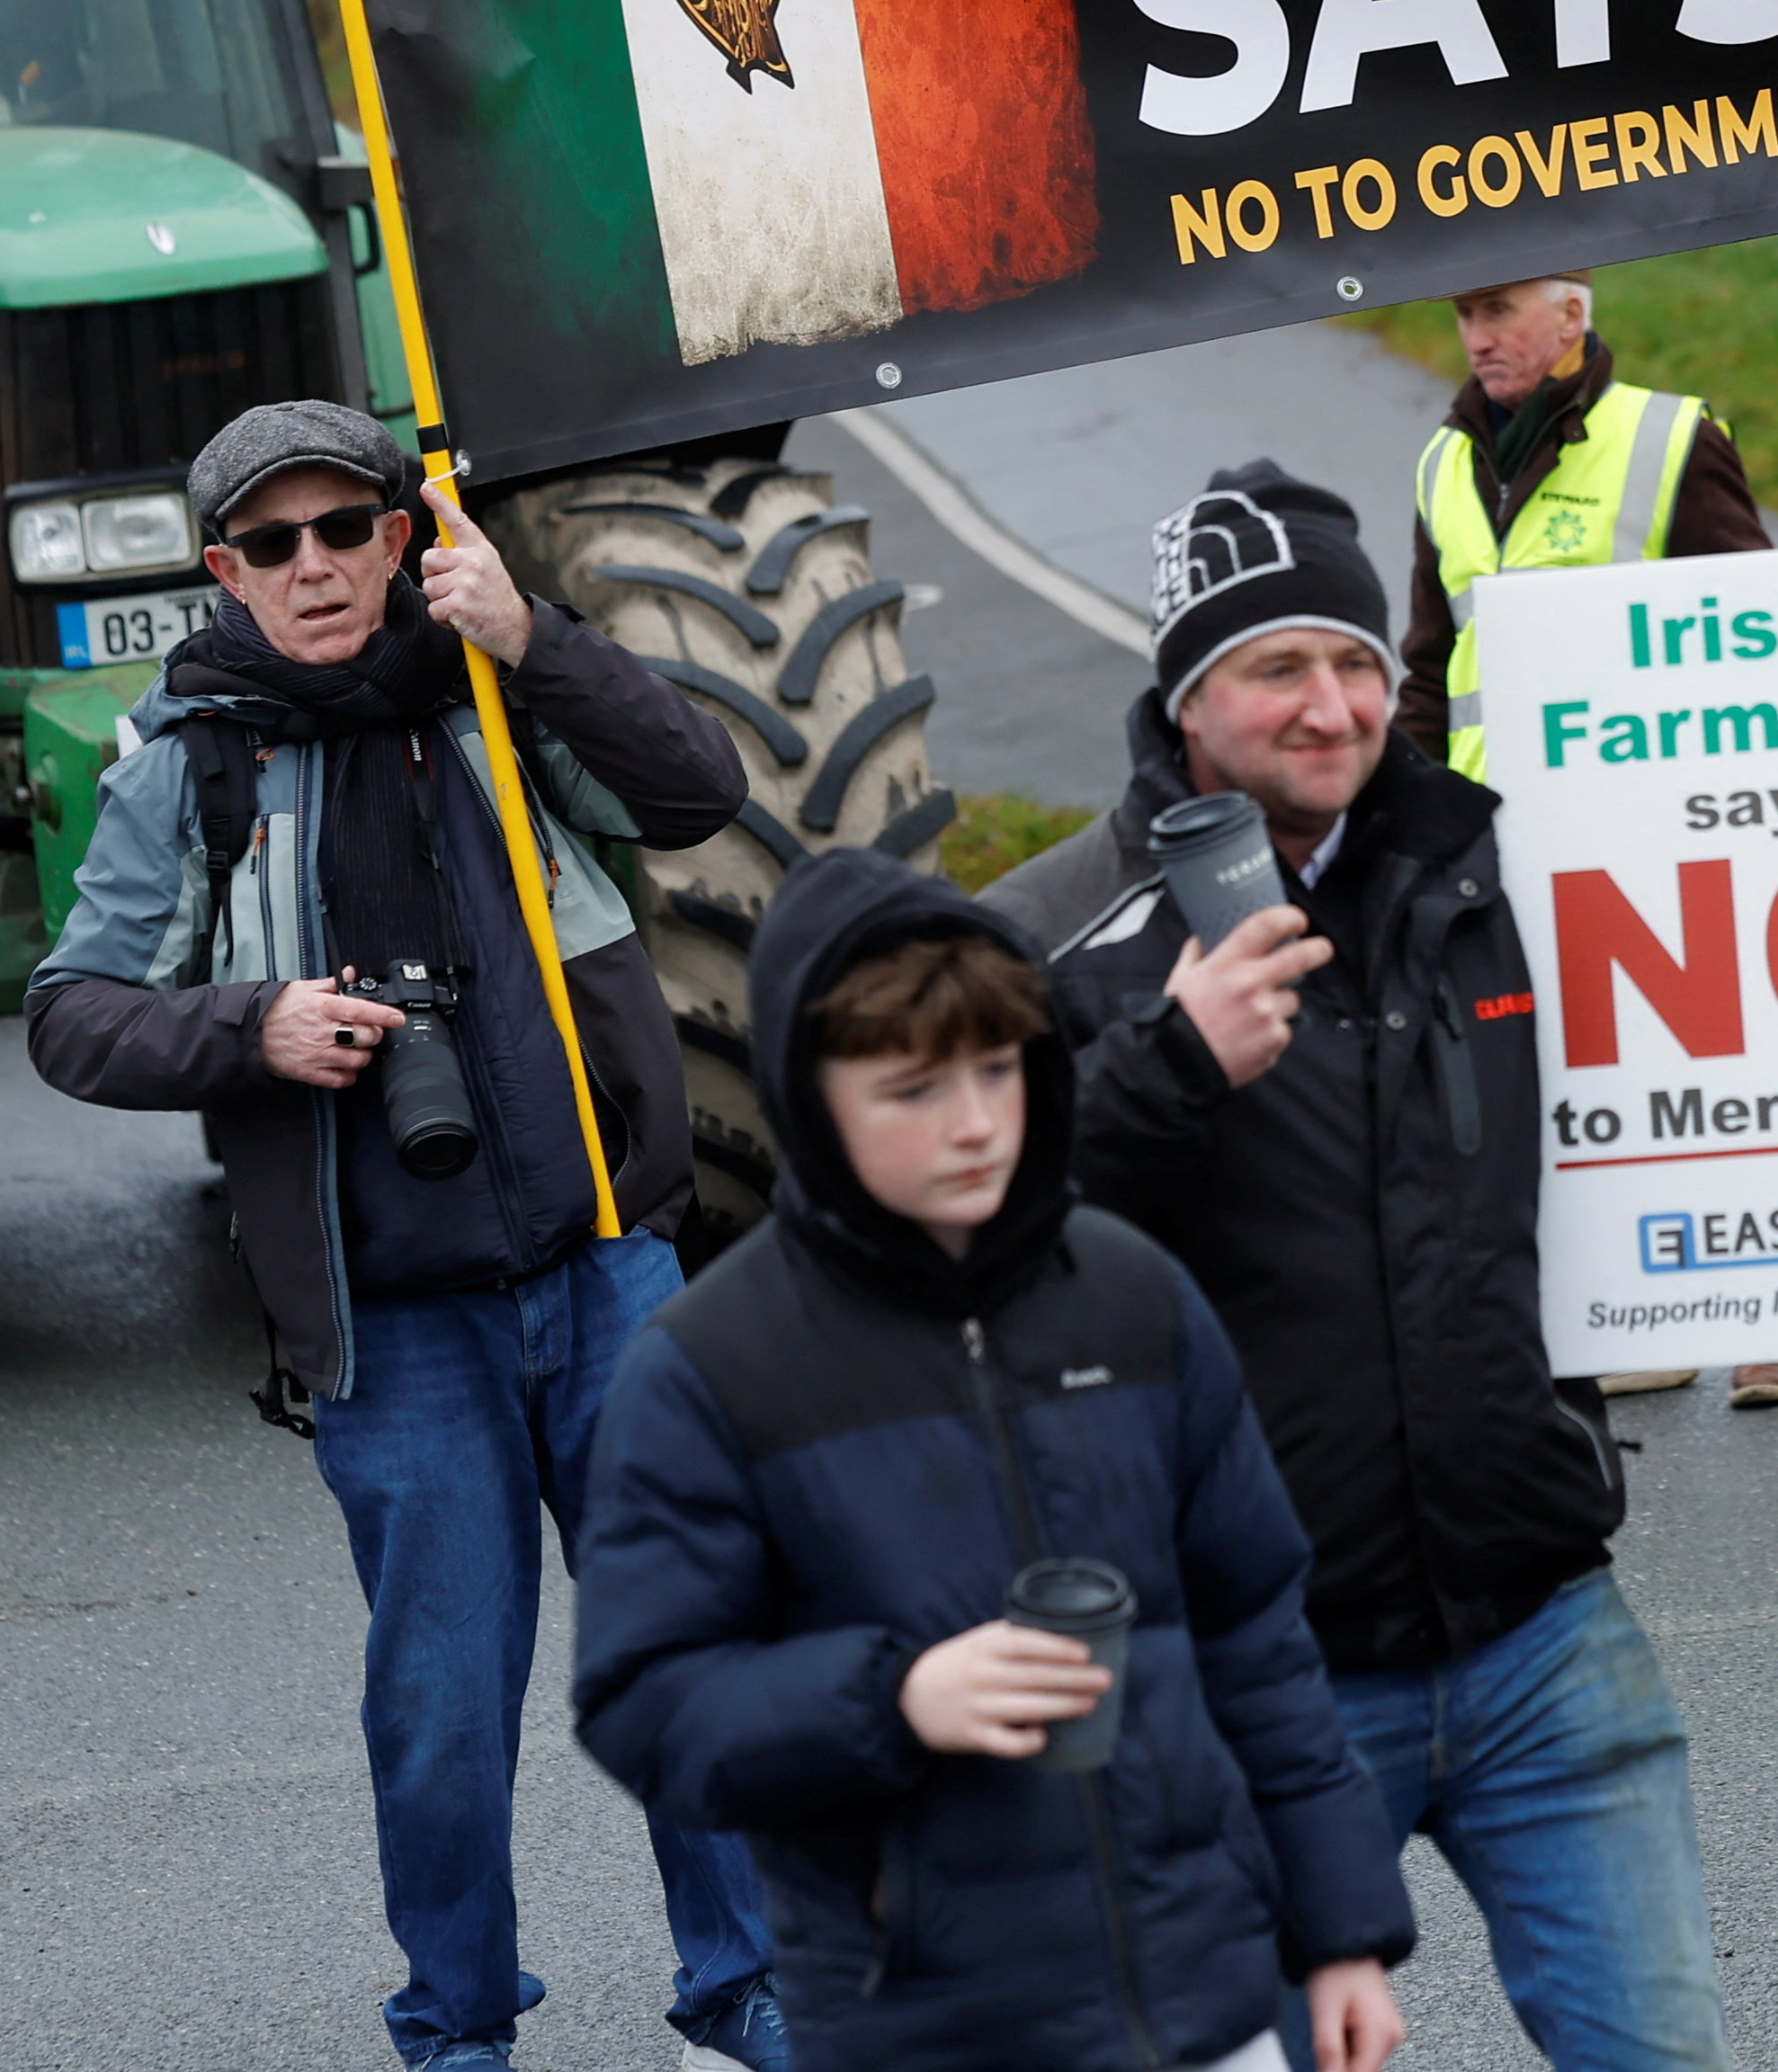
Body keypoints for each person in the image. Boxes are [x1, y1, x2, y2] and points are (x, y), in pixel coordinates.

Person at [22, 403, 791, 2072]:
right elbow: (72, 1017)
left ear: (398, 535)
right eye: (272, 544)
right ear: (224, 569)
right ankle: (457, 2033)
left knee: (699, 1647)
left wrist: (538, 636)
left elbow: (694, 789)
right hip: (395, 1326)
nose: (315, 567)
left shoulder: (499, 690)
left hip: (608, 1270)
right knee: (442, 1721)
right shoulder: (191, 759)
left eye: (344, 530)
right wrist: (252, 1029)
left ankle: (742, 1999)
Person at [982, 461, 1729, 2070]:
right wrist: (1170, 1065)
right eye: (1275, 668)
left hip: (1543, 1630)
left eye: (1361, 663)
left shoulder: (1502, 872)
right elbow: (957, 1256)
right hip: (1259, 1680)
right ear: (1186, 697)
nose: (1332, 706)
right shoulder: (1042, 944)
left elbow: (1750, 1045)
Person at [571, 851, 1416, 2072]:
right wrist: (895, 1698)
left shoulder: (1136, 1293)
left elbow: (1257, 1636)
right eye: (912, 1087)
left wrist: (1342, 1934)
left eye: (996, 1067)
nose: (973, 1121)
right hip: (924, 2024)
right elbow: (645, 1701)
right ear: (811, 1095)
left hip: (1212, 2005)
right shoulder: (708, 1363)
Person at [1398, 269, 1778, 1410]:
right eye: (1463, 313)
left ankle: (1776, 1318)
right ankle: (1659, 1309)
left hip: (1651, 818)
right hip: (1500, 836)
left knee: (1704, 1065)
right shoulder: (1440, 463)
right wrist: (1408, 815)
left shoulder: (1667, 438)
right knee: (1580, 1076)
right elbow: (1430, 665)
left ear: (1571, 314)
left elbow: (1757, 625)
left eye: (1497, 310)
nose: (1475, 335)